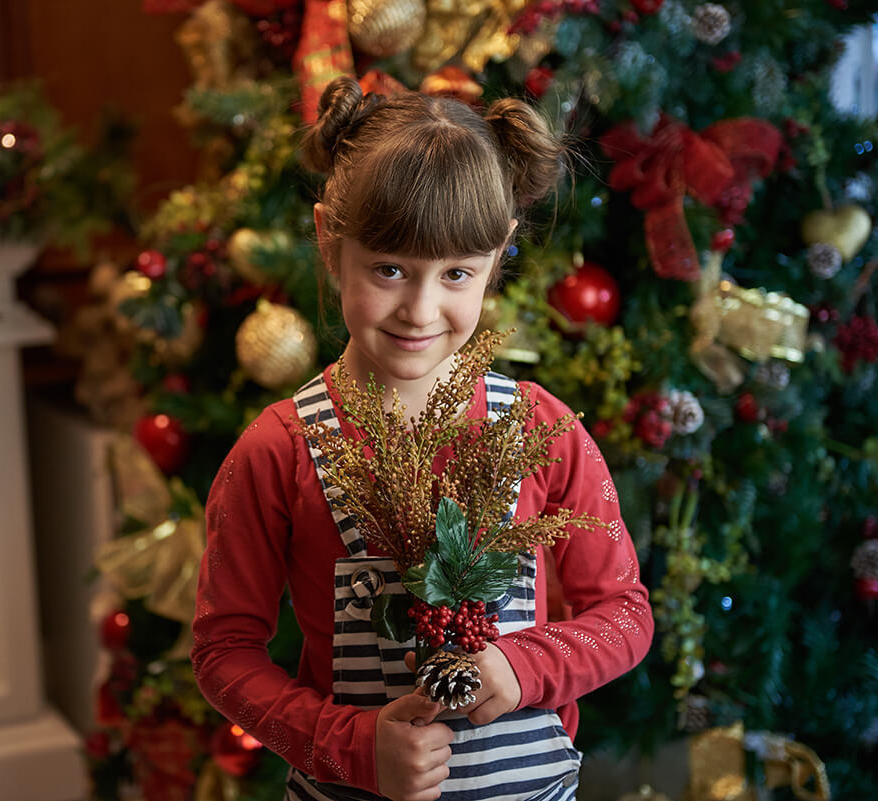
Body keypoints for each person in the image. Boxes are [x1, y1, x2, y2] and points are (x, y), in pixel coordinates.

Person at [191, 75, 654, 801]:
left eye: (457, 273)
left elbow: (624, 615)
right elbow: (223, 653)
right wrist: (350, 744)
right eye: (390, 269)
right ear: (329, 240)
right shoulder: (278, 448)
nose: (420, 308)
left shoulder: (541, 431)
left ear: (499, 255)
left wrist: (524, 666)